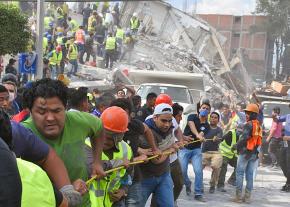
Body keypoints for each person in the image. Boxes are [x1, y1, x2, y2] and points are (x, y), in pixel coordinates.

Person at [22, 78, 106, 207]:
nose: (50, 118)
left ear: (65, 107)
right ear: (30, 111)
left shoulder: (79, 121)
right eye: (42, 112)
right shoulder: (22, 134)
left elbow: (99, 127)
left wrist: (97, 162)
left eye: (57, 111)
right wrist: (66, 191)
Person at [109, 98, 161, 207]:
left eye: (125, 115)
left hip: (133, 177)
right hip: (113, 180)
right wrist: (137, 159)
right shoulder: (107, 131)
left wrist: (154, 148)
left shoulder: (134, 125)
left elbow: (147, 130)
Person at [86, 106, 133, 207]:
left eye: (110, 138)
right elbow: (91, 168)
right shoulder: (86, 145)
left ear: (120, 136)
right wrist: (117, 162)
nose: (104, 141)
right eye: (102, 135)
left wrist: (123, 190)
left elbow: (128, 174)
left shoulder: (126, 149)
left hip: (114, 203)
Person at [140, 103, 180, 207]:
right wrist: (170, 149)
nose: (167, 124)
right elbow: (156, 160)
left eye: (169, 120)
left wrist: (176, 144)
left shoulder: (170, 127)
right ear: (155, 118)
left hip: (164, 175)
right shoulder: (147, 133)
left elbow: (172, 140)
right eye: (163, 121)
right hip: (145, 178)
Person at [179, 102, 211, 202]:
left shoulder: (207, 125)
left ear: (209, 111)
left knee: (198, 171)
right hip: (185, 148)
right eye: (203, 107)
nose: (204, 109)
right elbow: (191, 125)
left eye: (207, 108)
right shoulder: (192, 117)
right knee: (182, 171)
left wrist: (200, 136)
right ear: (199, 109)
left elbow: (202, 133)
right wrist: (197, 135)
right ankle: (187, 184)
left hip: (196, 150)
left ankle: (198, 193)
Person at [233, 103, 262, 203]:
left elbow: (244, 138)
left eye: (248, 113)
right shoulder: (258, 125)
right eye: (246, 112)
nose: (246, 114)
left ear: (254, 114)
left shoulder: (248, 124)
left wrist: (236, 146)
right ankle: (247, 197)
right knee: (249, 175)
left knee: (240, 173)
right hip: (254, 154)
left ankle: (238, 197)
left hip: (245, 152)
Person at [202, 112, 223, 193]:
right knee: (198, 168)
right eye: (212, 117)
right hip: (204, 152)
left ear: (218, 120)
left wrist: (217, 138)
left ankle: (212, 185)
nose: (213, 119)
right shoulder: (204, 127)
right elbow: (199, 134)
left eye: (215, 117)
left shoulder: (219, 130)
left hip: (215, 153)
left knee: (216, 166)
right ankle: (199, 185)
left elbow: (220, 138)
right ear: (209, 118)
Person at [217, 128, 241, 192]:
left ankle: (232, 180)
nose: (240, 132)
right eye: (239, 130)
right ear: (236, 129)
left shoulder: (242, 135)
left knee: (239, 166)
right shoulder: (230, 133)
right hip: (224, 153)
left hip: (232, 155)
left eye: (241, 131)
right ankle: (220, 185)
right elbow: (221, 140)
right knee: (224, 168)